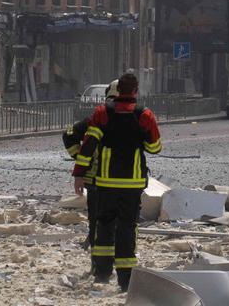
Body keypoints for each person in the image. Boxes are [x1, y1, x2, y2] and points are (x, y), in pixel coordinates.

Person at [73, 72, 162, 292]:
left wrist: (79, 173)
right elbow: (155, 148)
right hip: (132, 184)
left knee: (104, 226)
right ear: (136, 91)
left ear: (118, 90)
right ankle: (125, 281)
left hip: (106, 182)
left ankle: (102, 273)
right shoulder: (145, 115)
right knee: (127, 229)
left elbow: (88, 145)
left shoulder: (103, 113)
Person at [62, 80, 118, 250]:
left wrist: (80, 160)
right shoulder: (136, 118)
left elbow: (68, 134)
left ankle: (98, 259)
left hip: (96, 180)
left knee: (97, 218)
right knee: (122, 221)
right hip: (124, 180)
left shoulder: (96, 118)